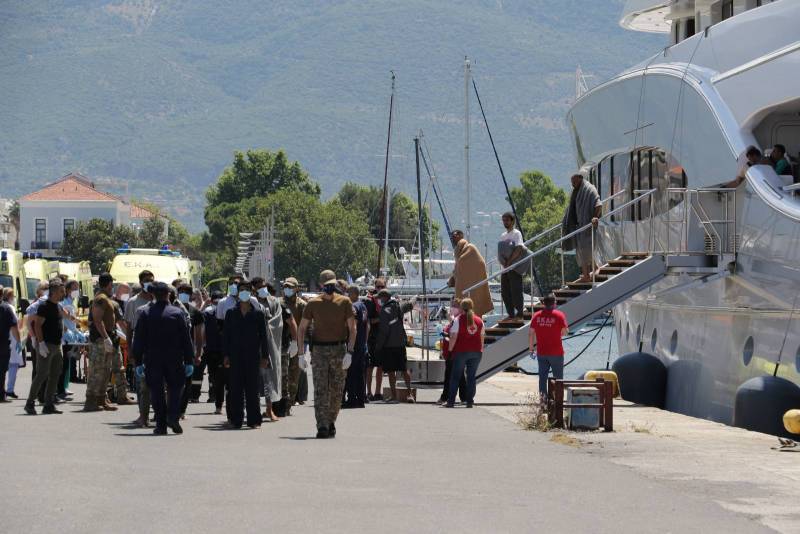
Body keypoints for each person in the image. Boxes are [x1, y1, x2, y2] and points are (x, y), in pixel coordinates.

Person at [297, 270, 356, 439]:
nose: (330, 287)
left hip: (339, 350)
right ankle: (322, 425)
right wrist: (301, 354)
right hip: (320, 351)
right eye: (327, 284)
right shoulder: (313, 304)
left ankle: (331, 420)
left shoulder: (344, 302)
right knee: (321, 389)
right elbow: (302, 329)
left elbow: (353, 329)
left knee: (337, 390)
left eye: (333, 284)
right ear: (322, 285)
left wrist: (350, 352)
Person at [132, 282, 194, 435]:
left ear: (153, 295)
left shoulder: (146, 313)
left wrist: (138, 361)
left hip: (153, 359)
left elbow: (138, 339)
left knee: (157, 392)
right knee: (175, 389)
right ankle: (173, 416)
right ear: (169, 294)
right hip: (174, 359)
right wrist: (189, 361)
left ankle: (161, 425)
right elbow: (186, 339)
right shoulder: (177, 313)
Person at [223, 281, 270, 429]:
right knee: (235, 389)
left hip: (253, 356)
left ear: (252, 293)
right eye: (242, 290)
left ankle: (254, 420)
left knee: (252, 389)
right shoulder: (231, 313)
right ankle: (236, 420)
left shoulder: (258, 314)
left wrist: (264, 357)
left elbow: (264, 337)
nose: (244, 293)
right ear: (237, 293)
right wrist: (225, 355)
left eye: (247, 290)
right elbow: (226, 336)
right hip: (235, 356)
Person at [24, 279, 66, 415]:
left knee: (55, 374)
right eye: (61, 291)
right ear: (53, 292)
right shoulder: (44, 306)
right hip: (46, 345)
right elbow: (37, 325)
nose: (63, 293)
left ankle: (49, 404)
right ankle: (30, 403)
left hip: (57, 345)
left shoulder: (58, 306)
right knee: (41, 374)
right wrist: (40, 343)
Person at [84, 273, 122, 412]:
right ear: (109, 284)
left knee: (106, 370)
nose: (113, 287)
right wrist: (105, 337)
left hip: (107, 338)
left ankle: (101, 399)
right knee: (97, 370)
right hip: (100, 339)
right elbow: (97, 320)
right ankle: (90, 401)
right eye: (112, 284)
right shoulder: (100, 299)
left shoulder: (105, 298)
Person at [124, 270, 155, 427]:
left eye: (151, 280)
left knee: (157, 383)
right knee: (141, 383)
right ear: (141, 282)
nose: (149, 282)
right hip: (139, 344)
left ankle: (158, 413)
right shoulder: (132, 302)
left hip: (156, 346)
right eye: (146, 280)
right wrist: (130, 348)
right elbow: (129, 328)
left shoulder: (158, 300)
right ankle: (143, 415)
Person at [374, 289, 414, 403]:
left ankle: (394, 396)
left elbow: (384, 331)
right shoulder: (398, 306)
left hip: (389, 345)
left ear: (384, 298)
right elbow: (409, 305)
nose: (379, 300)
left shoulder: (383, 311)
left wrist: (379, 346)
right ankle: (410, 394)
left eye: (380, 298)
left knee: (391, 371)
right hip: (400, 343)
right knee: (404, 369)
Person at [445, 298, 484, 408]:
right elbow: (482, 338)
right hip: (476, 352)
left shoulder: (458, 320)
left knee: (455, 376)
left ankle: (451, 401)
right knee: (471, 377)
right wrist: (480, 350)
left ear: (461, 307)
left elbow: (453, 337)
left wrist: (450, 351)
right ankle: (470, 401)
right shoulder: (479, 320)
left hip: (461, 351)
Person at [562, 173, 601, 283]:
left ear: (580, 179)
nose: (573, 185)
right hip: (579, 226)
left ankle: (594, 270)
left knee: (586, 249)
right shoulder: (577, 191)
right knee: (581, 250)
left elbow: (598, 204)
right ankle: (587, 274)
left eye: (574, 182)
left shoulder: (589, 189)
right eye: (572, 183)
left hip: (588, 225)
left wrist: (595, 217)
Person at [253, 277, 282, 422]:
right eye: (259, 287)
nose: (262, 289)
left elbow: (277, 322)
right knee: (253, 381)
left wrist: (265, 327)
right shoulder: (251, 303)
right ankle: (254, 410)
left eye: (264, 286)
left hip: (269, 347)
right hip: (253, 347)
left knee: (269, 380)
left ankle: (269, 410)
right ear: (254, 289)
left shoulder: (274, 302)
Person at [528, 293, 569, 397]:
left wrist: (531, 349)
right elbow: (565, 331)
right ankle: (558, 402)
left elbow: (531, 333)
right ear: (554, 303)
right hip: (556, 352)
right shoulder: (559, 315)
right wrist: (557, 333)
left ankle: (543, 402)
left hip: (542, 352)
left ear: (543, 304)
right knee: (558, 379)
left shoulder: (536, 316)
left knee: (542, 378)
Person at [449, 230, 494, 317]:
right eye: (451, 237)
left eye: (454, 236)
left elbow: (479, 264)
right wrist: (453, 277)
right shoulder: (459, 252)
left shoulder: (471, 248)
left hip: (476, 284)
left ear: (461, 235)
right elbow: (458, 267)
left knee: (475, 304)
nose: (452, 238)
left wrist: (455, 275)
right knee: (463, 305)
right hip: (465, 287)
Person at [177, 283, 204, 418]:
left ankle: (182, 410)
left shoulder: (196, 313)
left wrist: (198, 353)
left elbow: (199, 336)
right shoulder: (172, 309)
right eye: (180, 291)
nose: (183, 294)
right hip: (173, 352)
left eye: (186, 292)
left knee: (187, 382)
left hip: (188, 353)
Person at [281, 276, 307, 409]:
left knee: (294, 373)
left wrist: (298, 344)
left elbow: (305, 325)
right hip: (282, 343)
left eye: (290, 287)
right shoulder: (279, 302)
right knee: (282, 374)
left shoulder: (302, 305)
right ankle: (281, 401)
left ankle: (290, 402)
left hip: (296, 342)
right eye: (285, 287)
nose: (287, 289)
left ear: (296, 288)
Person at [437, 300, 467, 405]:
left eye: (455, 306)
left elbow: (455, 337)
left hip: (454, 352)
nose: (452, 308)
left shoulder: (458, 320)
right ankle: (464, 398)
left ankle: (446, 397)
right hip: (451, 352)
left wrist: (446, 335)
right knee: (459, 377)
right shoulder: (454, 320)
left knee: (450, 376)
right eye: (452, 306)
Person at [343, 285, 368, 408]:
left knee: (351, 373)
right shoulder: (363, 306)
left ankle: (352, 399)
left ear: (353, 294)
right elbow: (367, 326)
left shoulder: (354, 306)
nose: (347, 295)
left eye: (348, 293)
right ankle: (361, 399)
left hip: (354, 343)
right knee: (359, 372)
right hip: (362, 343)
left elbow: (352, 326)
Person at [497, 212, 525, 319]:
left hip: (514, 268)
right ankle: (511, 313)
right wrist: (503, 262)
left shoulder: (516, 233)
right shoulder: (503, 235)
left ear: (512, 221)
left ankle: (520, 312)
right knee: (505, 293)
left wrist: (510, 261)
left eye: (507, 220)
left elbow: (519, 248)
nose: (505, 222)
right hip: (505, 269)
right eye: (503, 220)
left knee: (516, 291)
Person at [202, 291, 226, 415]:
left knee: (223, 379)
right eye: (215, 302)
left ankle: (223, 405)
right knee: (217, 379)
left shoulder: (227, 313)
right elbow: (202, 331)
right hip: (212, 351)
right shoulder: (208, 314)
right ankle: (219, 405)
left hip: (224, 351)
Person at [363, 279, 385, 401]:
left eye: (382, 286)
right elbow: (368, 321)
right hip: (371, 337)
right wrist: (380, 319)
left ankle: (377, 392)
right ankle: (369, 392)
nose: (380, 288)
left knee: (380, 367)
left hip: (382, 338)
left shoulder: (387, 301)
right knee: (370, 367)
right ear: (375, 287)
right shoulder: (369, 301)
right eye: (378, 286)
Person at [0, 287, 21, 402]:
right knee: (4, 370)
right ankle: (4, 393)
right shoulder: (7, 308)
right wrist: (18, 341)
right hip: (4, 343)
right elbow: (14, 326)